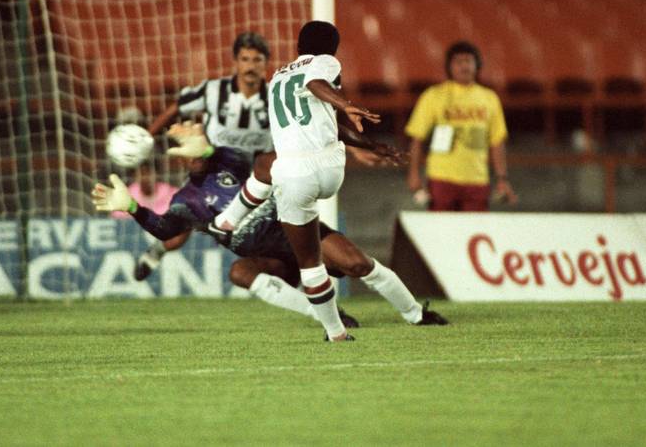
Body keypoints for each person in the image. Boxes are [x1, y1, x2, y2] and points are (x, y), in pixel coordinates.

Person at [91, 124, 447, 329]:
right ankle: (324, 313)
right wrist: (134, 207)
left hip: (300, 229)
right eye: (183, 147)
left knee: (356, 265)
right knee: (240, 272)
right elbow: (166, 230)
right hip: (269, 256)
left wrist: (212, 145)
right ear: (178, 159)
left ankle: (416, 314)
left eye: (196, 139)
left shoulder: (229, 159)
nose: (191, 147)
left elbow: (264, 159)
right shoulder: (186, 201)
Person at [264, 20, 382, 342]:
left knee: (309, 263)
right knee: (316, 252)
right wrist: (346, 105)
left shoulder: (275, 79)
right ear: (334, 48)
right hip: (330, 167)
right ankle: (338, 316)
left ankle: (336, 332)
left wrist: (343, 104)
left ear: (298, 48)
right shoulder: (327, 61)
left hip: (291, 173)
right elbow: (317, 83)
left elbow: (313, 86)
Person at [132, 32, 273, 280]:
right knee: (181, 224)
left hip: (257, 179)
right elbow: (178, 107)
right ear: (236, 62)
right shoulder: (213, 91)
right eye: (245, 59)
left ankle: (294, 282)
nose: (250, 66)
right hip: (213, 173)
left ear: (265, 63)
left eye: (256, 60)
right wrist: (147, 136)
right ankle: (157, 251)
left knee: (271, 234)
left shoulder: (274, 97)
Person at [406, 41, 517, 211]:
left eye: (468, 61)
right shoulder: (434, 96)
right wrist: (413, 174)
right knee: (442, 231)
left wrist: (502, 179)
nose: (464, 66)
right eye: (458, 61)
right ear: (449, 67)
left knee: (474, 232)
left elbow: (497, 141)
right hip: (441, 178)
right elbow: (417, 138)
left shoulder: (489, 98)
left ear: (477, 65)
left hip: (477, 179)